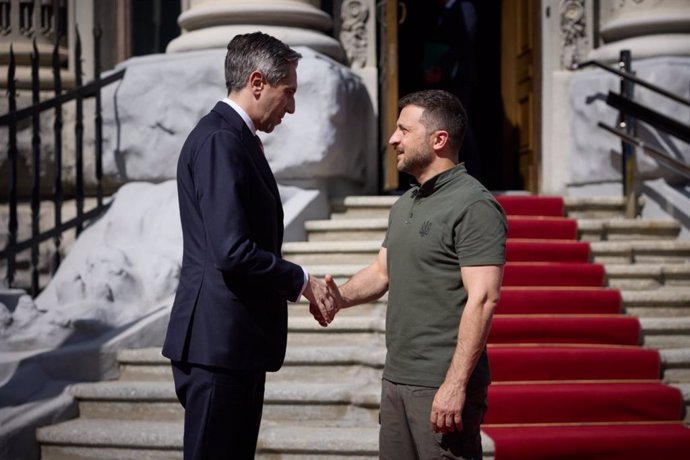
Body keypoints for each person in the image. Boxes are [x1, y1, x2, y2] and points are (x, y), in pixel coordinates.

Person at [162, 32, 338, 460]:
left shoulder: (232, 138)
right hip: (217, 349)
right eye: (288, 92)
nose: (292, 107)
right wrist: (300, 280)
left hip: (231, 346)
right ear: (257, 82)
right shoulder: (222, 140)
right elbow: (231, 250)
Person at [324, 89, 506, 459]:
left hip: (440, 385)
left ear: (439, 140)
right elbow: (381, 271)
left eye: (403, 130)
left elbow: (483, 299)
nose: (393, 139)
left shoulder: (474, 205)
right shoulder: (406, 202)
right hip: (396, 378)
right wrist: (338, 298)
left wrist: (455, 385)